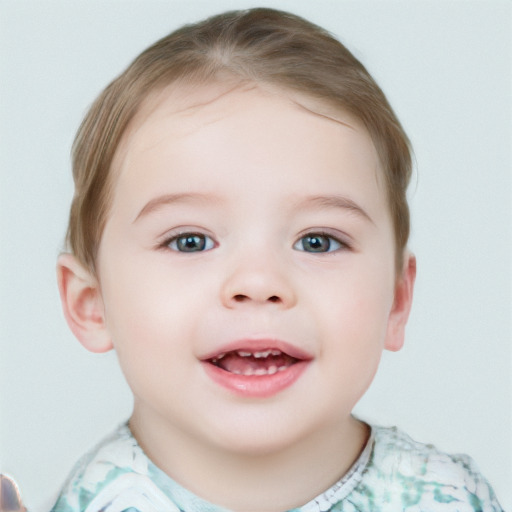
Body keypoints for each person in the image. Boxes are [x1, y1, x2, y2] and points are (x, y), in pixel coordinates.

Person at [50, 7, 503, 512]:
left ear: (396, 302)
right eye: (190, 241)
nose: (259, 282)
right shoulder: (90, 503)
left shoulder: (447, 500)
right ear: (92, 304)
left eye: (318, 241)